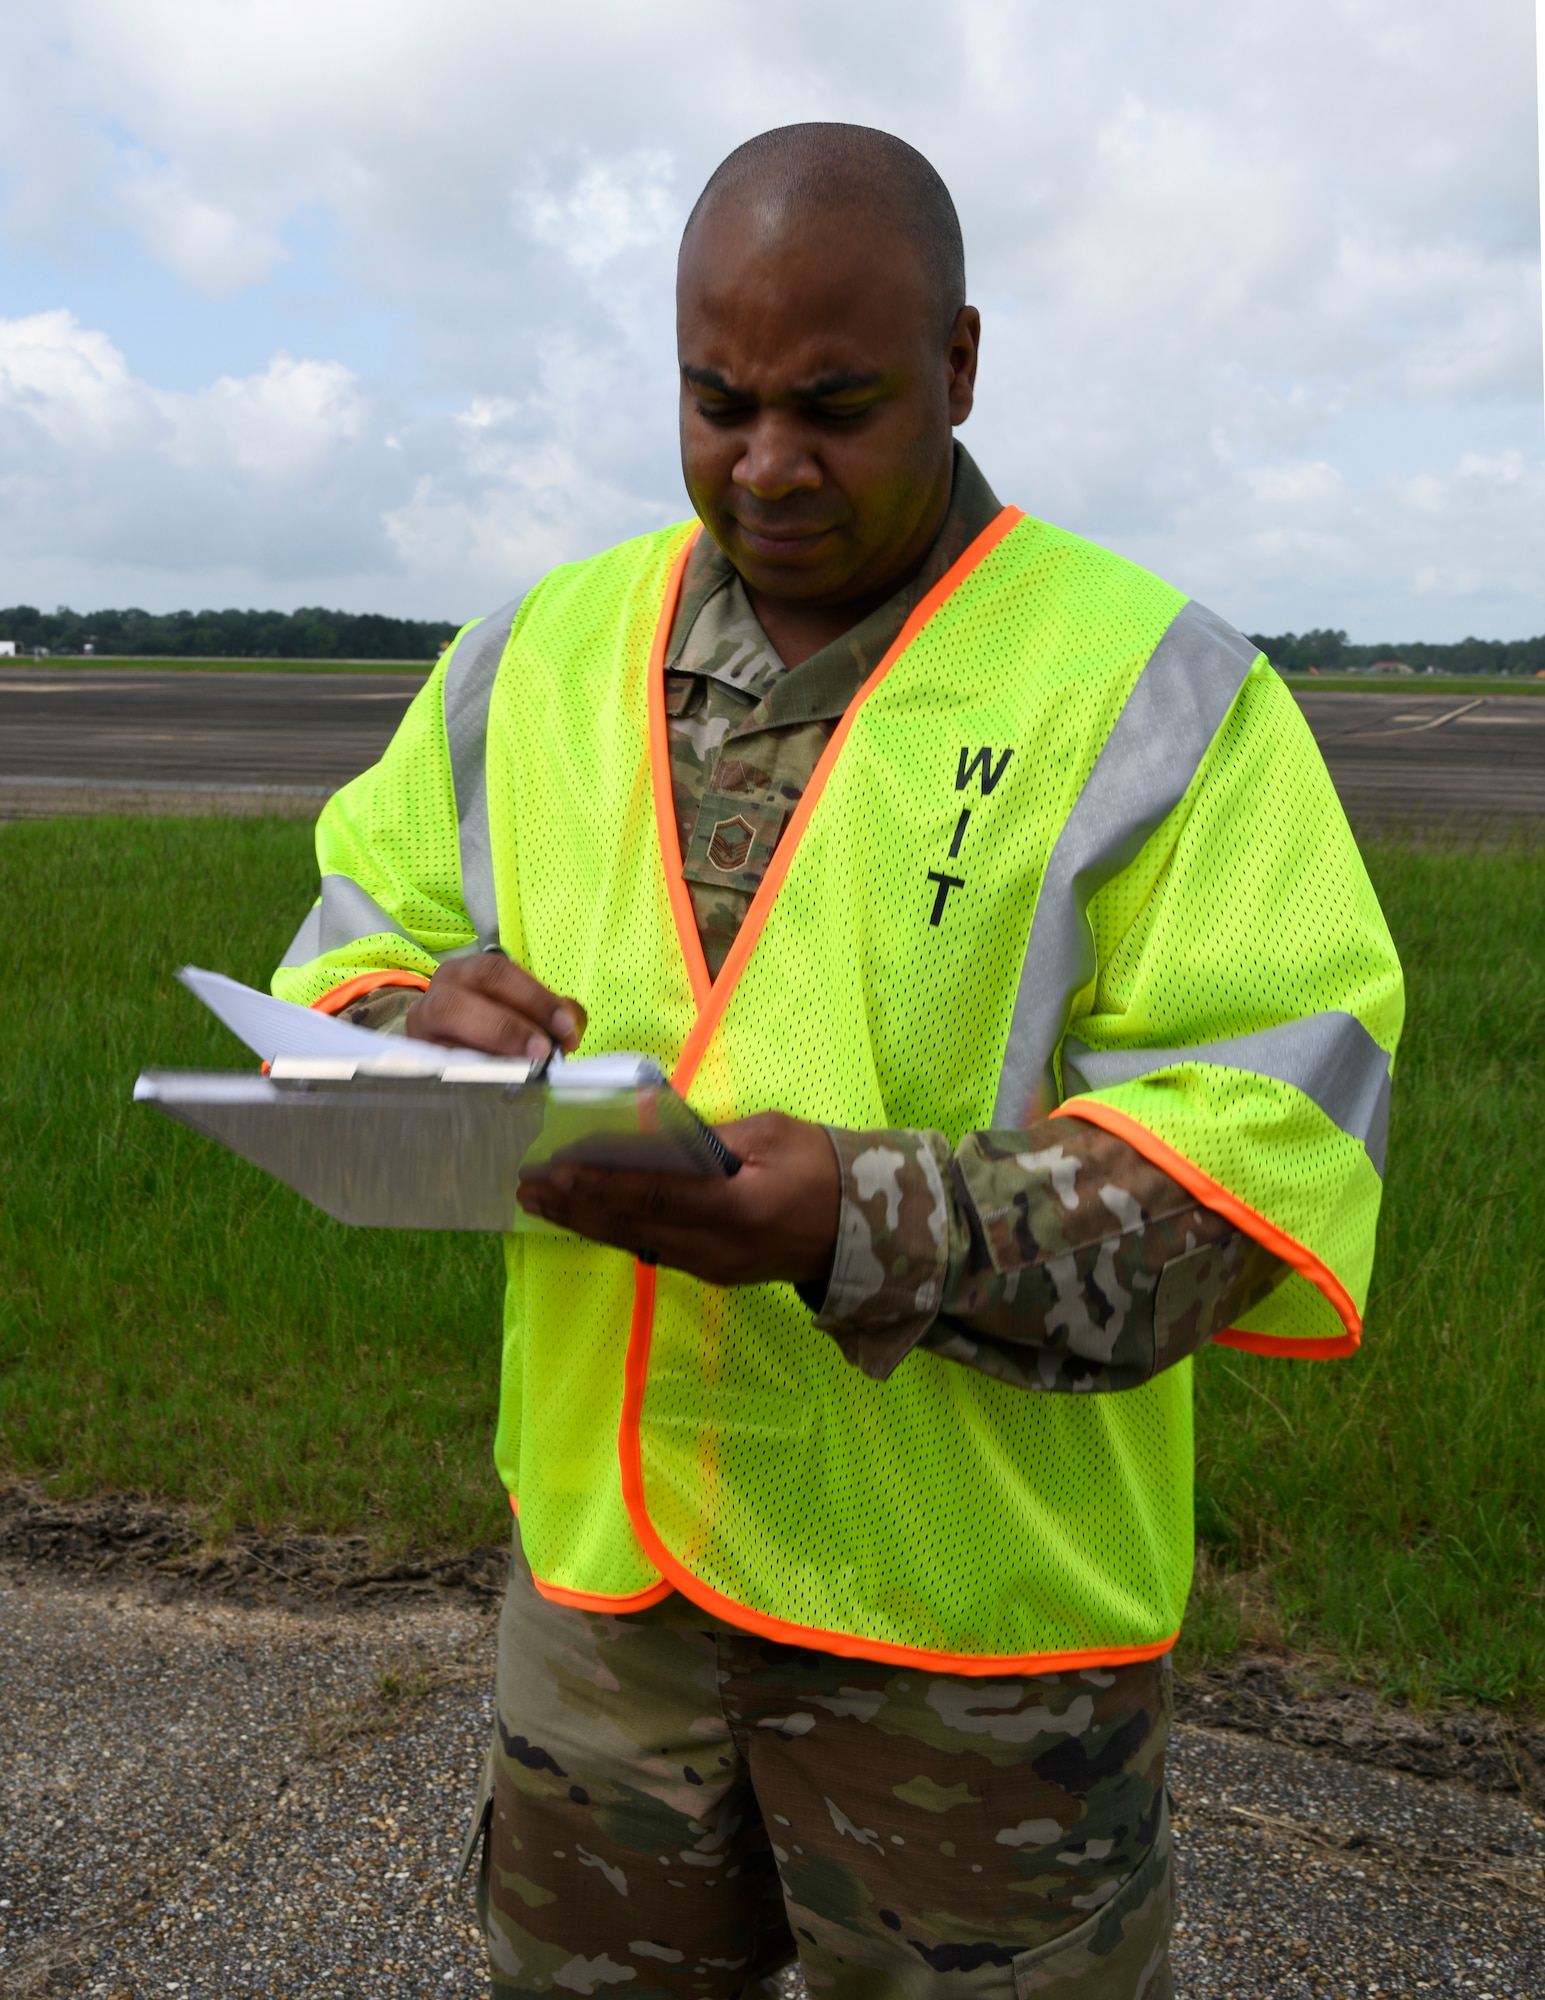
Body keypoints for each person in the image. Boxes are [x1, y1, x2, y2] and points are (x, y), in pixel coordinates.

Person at [272, 124, 1403, 1998]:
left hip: (968, 1655)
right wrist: (406, 1027)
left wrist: (860, 1221)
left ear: (959, 367)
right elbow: (340, 960)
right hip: (603, 1605)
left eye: (834, 406)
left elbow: (1258, 1161)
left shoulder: (1151, 690)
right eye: (716, 403)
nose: (766, 464)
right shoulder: (531, 656)